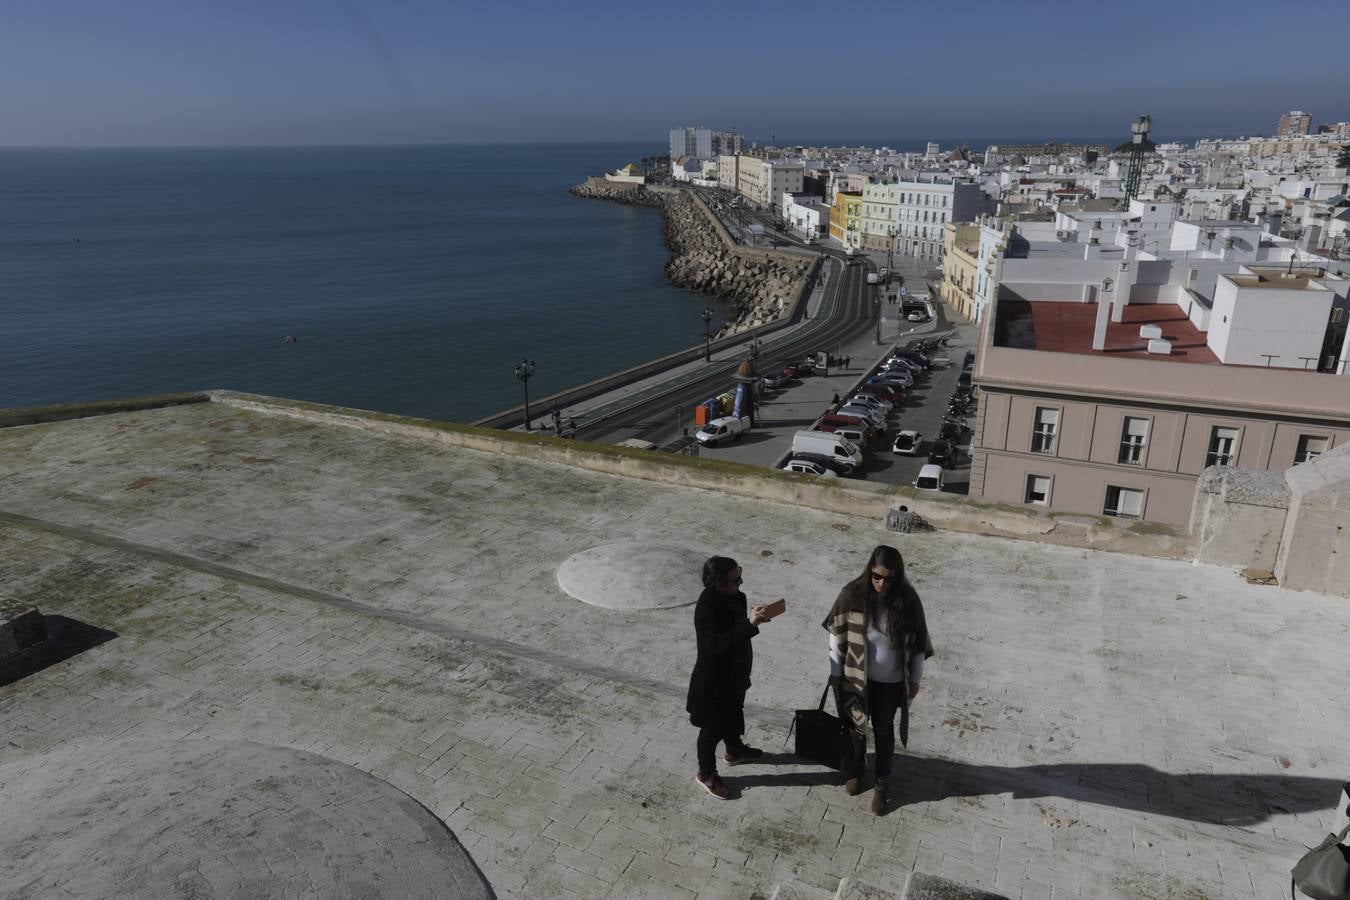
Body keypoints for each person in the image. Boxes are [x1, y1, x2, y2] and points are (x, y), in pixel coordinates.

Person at [822, 545, 934, 815]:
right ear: (869, 570)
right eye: (876, 576)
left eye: (888, 579)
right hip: (856, 679)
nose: (881, 583)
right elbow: (836, 635)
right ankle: (856, 770)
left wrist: (915, 679)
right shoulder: (853, 594)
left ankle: (882, 783)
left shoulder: (908, 601)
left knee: (883, 730)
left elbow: (918, 644)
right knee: (855, 727)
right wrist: (835, 674)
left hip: (890, 684)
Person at [686, 556, 776, 800]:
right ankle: (706, 774)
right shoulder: (706, 607)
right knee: (711, 730)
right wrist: (748, 624)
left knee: (734, 711)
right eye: (736, 580)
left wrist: (753, 620)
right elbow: (715, 646)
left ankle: (734, 750)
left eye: (741, 576)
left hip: (736, 674)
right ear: (719, 583)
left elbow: (738, 633)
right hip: (714, 681)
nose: (741, 583)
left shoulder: (737, 596)